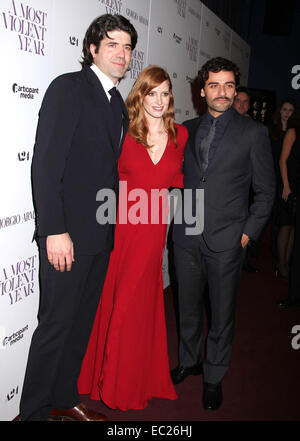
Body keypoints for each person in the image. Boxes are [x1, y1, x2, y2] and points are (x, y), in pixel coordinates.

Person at [19, 14, 138, 421]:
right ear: (92, 49)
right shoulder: (68, 89)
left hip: (100, 236)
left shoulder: (118, 103)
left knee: (80, 323)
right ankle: (33, 412)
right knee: (55, 326)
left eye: (127, 47)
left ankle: (64, 395)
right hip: (65, 235)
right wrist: (54, 230)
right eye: (112, 45)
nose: (122, 54)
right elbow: (47, 165)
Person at [77, 65, 188, 411]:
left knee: (137, 307)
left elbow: (179, 179)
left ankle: (126, 379)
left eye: (164, 93)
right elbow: (100, 176)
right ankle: (109, 380)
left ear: (171, 98)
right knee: (117, 303)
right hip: (121, 230)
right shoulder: (124, 131)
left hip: (154, 233)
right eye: (151, 93)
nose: (158, 100)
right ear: (139, 95)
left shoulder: (180, 135)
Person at [171, 57, 275, 410]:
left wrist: (246, 235)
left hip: (228, 241)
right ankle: (189, 360)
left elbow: (265, 192)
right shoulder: (184, 128)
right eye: (214, 85)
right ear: (202, 91)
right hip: (187, 236)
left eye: (229, 85)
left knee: (221, 314)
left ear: (235, 89)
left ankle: (214, 375)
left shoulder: (254, 133)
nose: (222, 92)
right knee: (186, 307)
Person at [268, 100, 296, 278]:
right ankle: (280, 262)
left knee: (290, 223)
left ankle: (284, 261)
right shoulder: (272, 131)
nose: (287, 113)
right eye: (284, 109)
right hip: (276, 180)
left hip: (291, 180)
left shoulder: (294, 133)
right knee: (284, 222)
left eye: (291, 110)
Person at [277, 114, 300, 308]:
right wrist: (287, 187)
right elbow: (283, 160)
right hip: (295, 191)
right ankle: (293, 295)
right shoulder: (293, 131)